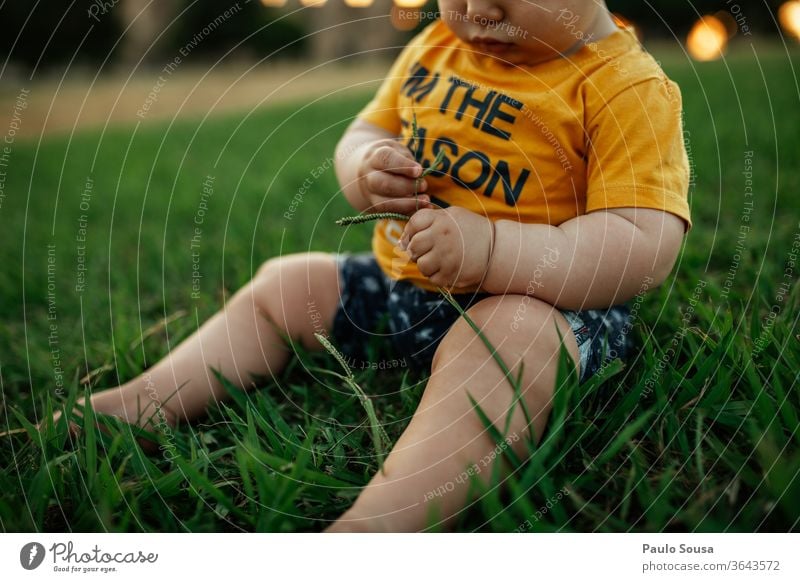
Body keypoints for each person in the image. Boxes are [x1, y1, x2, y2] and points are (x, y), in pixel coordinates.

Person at [50, 0, 691, 532]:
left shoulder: (623, 87)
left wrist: (496, 252)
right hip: (404, 289)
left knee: (508, 339)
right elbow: (364, 132)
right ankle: (143, 402)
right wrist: (367, 165)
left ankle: (382, 521)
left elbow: (639, 245)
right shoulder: (440, 44)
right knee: (287, 282)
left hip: (543, 308)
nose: (475, 10)